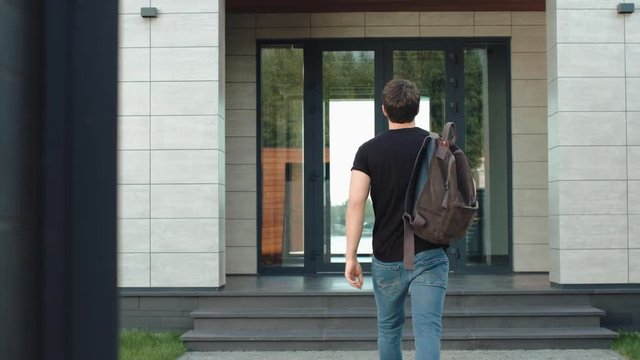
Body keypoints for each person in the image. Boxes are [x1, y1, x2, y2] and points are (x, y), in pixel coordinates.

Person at [344, 79, 449, 360]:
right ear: (417, 109)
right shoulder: (436, 147)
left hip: (387, 257)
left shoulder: (368, 151)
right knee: (428, 330)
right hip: (430, 253)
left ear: (384, 110)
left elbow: (356, 202)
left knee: (389, 330)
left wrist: (351, 256)